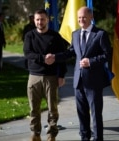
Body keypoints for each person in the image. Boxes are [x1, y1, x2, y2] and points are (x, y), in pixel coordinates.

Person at [46, 6, 113, 141]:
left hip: (94, 81)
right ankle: (85, 137)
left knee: (95, 114)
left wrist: (91, 61)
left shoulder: (100, 34)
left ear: (91, 17)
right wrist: (55, 57)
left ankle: (98, 138)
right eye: (79, 18)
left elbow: (108, 54)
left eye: (84, 17)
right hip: (78, 81)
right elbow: (70, 52)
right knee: (82, 113)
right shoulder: (75, 34)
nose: (81, 20)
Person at [23, 9, 67, 141]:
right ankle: (36, 134)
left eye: (42, 19)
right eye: (37, 19)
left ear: (47, 20)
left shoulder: (55, 36)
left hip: (51, 77)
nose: (40, 22)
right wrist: (43, 58)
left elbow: (63, 56)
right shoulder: (29, 35)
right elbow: (27, 53)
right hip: (34, 76)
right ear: (34, 20)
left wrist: (61, 75)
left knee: (52, 108)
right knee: (33, 108)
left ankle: (51, 135)